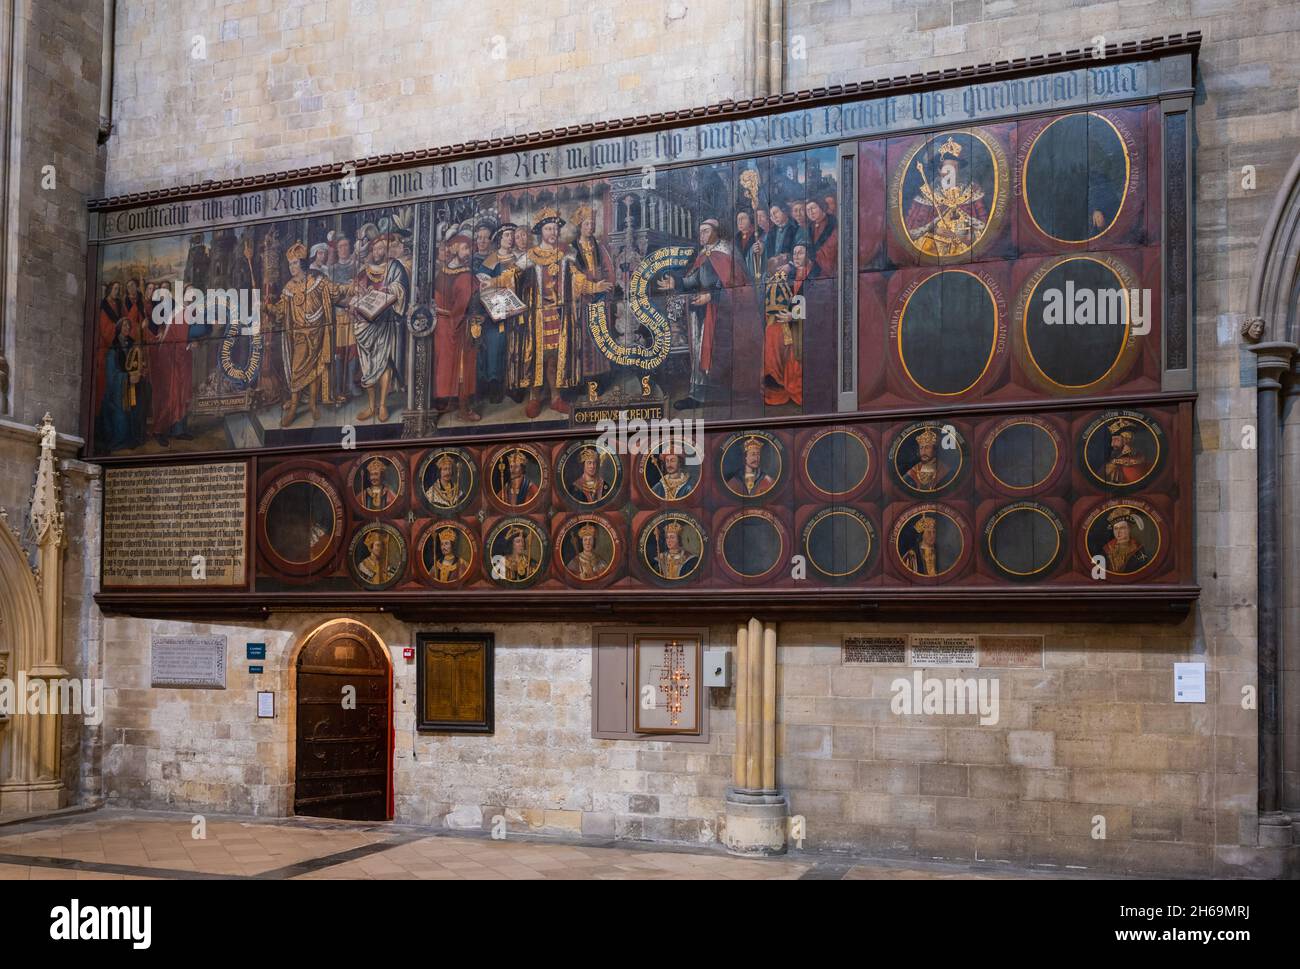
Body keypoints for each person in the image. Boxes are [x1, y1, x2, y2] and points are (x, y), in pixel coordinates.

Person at [497, 207, 613, 418]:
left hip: (559, 315)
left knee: (554, 358)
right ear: (541, 231)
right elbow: (511, 274)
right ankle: (534, 398)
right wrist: (494, 282)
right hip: (536, 316)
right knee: (535, 357)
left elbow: (578, 280)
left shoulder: (565, 254)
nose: (552, 233)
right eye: (548, 228)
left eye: (554, 229)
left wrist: (595, 287)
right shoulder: (530, 256)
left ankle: (555, 398)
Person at [656, 218, 745, 411]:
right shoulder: (705, 254)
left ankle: (729, 394)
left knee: (721, 352)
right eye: (700, 231)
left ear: (716, 231)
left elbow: (735, 284)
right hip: (704, 310)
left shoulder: (728, 251)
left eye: (705, 231)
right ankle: (697, 395)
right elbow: (693, 280)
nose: (701, 235)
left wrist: (712, 296)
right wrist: (676, 283)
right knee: (698, 351)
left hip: (725, 312)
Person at [263, 240, 351, 427]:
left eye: (295, 263)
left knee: (316, 369)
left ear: (302, 263)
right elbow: (280, 311)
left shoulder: (317, 280)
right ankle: (294, 406)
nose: (292, 267)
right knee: (297, 371)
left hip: (318, 332)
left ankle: (312, 403)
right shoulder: (289, 288)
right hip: (300, 336)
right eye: (290, 264)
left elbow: (335, 291)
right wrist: (268, 308)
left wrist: (350, 287)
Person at [351, 231, 410, 422]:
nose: (378, 251)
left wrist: (389, 289)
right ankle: (371, 406)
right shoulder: (364, 270)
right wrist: (358, 294)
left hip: (384, 321)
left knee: (383, 363)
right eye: (375, 248)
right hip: (365, 324)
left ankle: (383, 405)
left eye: (381, 248)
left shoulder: (395, 267)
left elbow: (401, 288)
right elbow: (355, 292)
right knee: (367, 366)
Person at [904, 136, 987, 257]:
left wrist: (965, 236)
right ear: (939, 170)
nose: (951, 172)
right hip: (935, 248)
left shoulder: (971, 192)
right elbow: (914, 231)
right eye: (947, 169)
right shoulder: (928, 194)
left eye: (954, 168)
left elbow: (983, 228)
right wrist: (935, 230)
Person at [433, 233, 482, 421]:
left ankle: (458, 404)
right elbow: (464, 304)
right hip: (454, 325)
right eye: (465, 248)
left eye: (469, 248)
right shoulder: (464, 276)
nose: (468, 252)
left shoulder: (444, 272)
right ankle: (458, 406)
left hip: (447, 324)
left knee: (453, 366)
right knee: (456, 366)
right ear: (455, 250)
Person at [569, 205, 616, 387]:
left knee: (601, 338)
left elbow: (609, 271)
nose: (590, 227)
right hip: (582, 300)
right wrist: (591, 287)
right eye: (587, 223)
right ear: (580, 226)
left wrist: (606, 287)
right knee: (584, 339)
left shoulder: (600, 247)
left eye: (592, 224)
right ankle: (585, 381)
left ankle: (602, 379)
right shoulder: (572, 250)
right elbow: (572, 276)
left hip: (601, 299)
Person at [902, 426, 951, 492]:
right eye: (921, 448)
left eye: (927, 447)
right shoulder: (912, 472)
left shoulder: (945, 472)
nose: (923, 451)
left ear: (935, 450)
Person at [1101, 508, 1149, 573]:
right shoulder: (1107, 548)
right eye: (1115, 528)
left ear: (1129, 529)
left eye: (1122, 528)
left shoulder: (1138, 548)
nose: (1118, 532)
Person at [1102, 419, 1150, 484]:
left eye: (1116, 440)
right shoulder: (1115, 455)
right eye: (1112, 440)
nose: (1112, 444)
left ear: (1126, 439)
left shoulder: (1138, 456)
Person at [805, 197, 838, 277]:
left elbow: (832, 247)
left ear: (821, 207)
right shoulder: (810, 227)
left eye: (813, 208)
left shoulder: (833, 222)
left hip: (828, 268)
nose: (810, 212)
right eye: (808, 210)